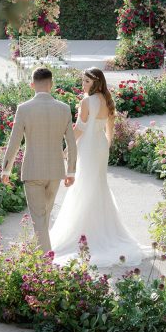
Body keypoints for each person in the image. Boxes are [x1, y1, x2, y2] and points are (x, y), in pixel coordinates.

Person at [50, 67, 148, 267]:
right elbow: (110, 129)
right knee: (97, 186)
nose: (83, 84)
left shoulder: (87, 101)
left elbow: (79, 129)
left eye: (86, 81)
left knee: (84, 185)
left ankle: (84, 231)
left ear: (95, 82)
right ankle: (102, 229)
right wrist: (107, 144)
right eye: (83, 80)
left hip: (88, 146)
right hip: (101, 146)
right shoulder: (107, 100)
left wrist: (65, 151)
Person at [1, 67, 77, 254]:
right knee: (43, 218)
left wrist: (6, 170)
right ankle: (40, 255)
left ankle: (45, 261)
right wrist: (71, 171)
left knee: (39, 219)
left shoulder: (24, 109)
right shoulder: (64, 108)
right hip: (55, 172)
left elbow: (14, 142)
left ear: (32, 84)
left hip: (33, 171)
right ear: (51, 85)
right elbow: (72, 144)